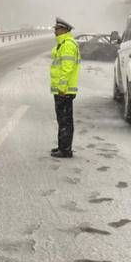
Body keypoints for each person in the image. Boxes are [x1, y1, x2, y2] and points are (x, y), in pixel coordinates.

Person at [50, 17, 81, 158]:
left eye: (57, 29)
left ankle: (65, 149)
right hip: (62, 89)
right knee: (62, 120)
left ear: (63, 30)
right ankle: (62, 146)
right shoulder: (63, 44)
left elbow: (67, 68)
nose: (55, 31)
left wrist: (62, 87)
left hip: (65, 90)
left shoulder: (68, 44)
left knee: (65, 120)